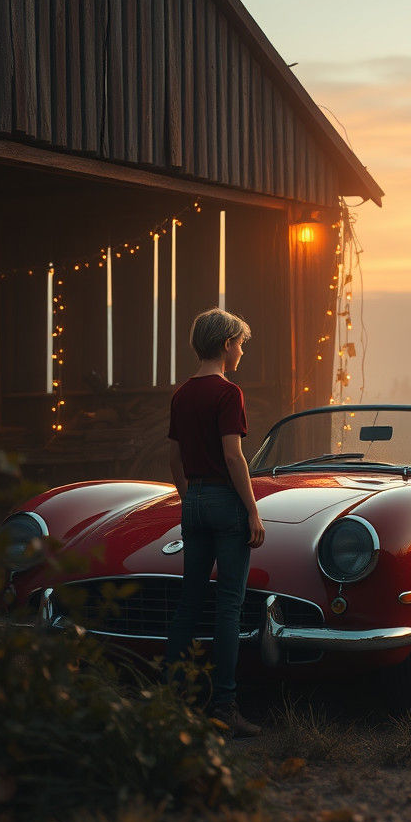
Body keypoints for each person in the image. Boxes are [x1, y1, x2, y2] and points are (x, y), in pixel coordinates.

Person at [165, 308, 265, 738]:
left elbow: (173, 457)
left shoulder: (182, 394)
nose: (241, 350)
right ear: (226, 344)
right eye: (240, 343)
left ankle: (172, 703)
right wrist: (253, 509)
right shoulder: (229, 394)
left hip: (194, 501)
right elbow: (233, 455)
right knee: (228, 605)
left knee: (188, 602)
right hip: (226, 501)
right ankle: (224, 705)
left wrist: (192, 499)